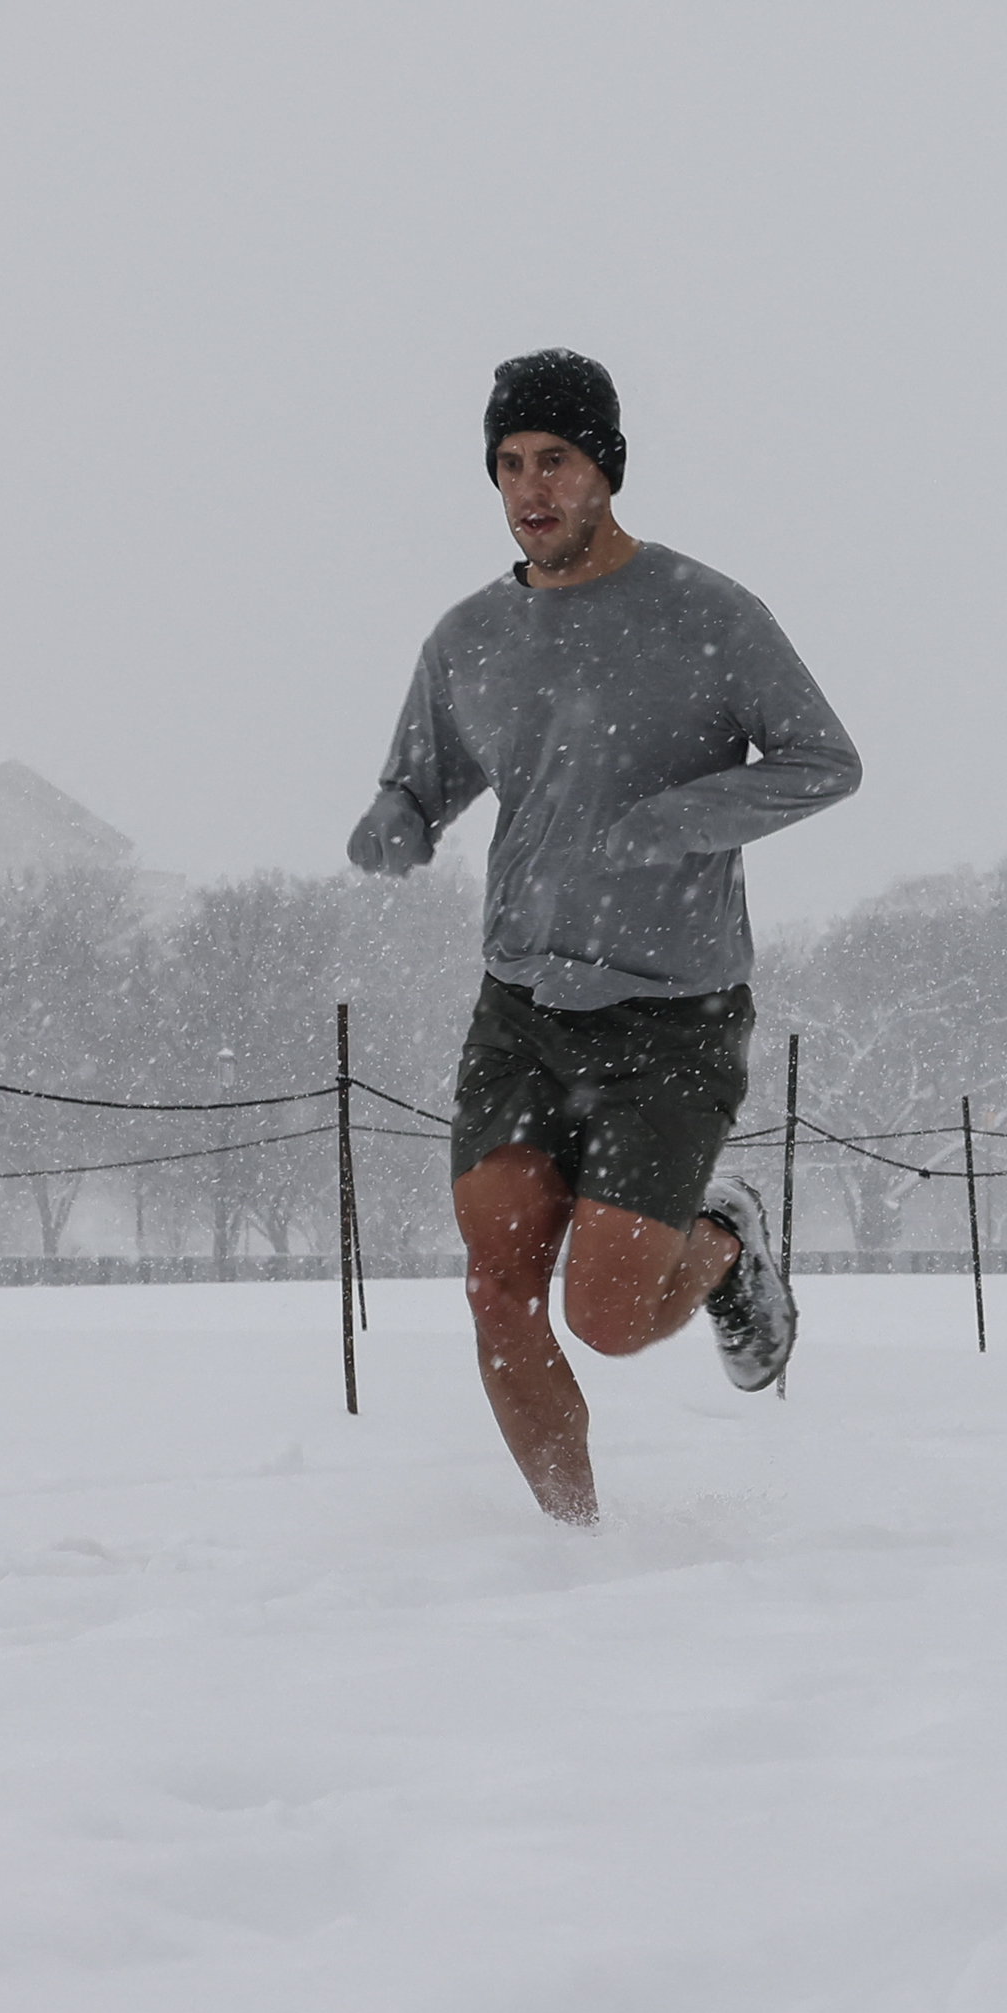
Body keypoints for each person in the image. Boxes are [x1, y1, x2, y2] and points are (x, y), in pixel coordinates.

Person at [348, 351, 862, 1524]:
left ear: (605, 470)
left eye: (556, 462)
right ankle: (572, 1559)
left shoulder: (708, 614)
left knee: (609, 1318)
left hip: (670, 1014)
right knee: (497, 1290)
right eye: (510, 465)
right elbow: (419, 781)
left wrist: (677, 820)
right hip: (520, 1006)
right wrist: (396, 818)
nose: (531, 489)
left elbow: (822, 762)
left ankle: (722, 1244)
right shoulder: (470, 635)